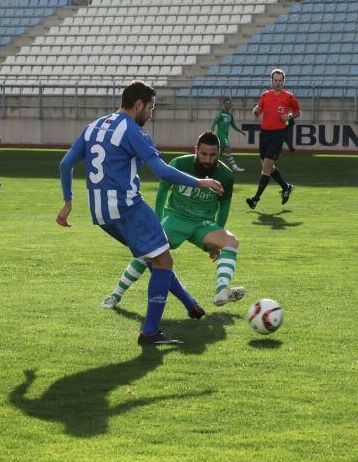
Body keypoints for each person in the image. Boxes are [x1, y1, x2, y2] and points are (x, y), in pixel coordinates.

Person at [56, 80, 224, 345]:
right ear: (138, 105)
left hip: (100, 213)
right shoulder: (133, 131)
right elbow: (161, 171)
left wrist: (68, 203)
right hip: (128, 207)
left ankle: (190, 303)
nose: (150, 113)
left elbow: (66, 164)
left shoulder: (94, 126)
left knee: (154, 256)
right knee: (163, 261)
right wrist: (200, 181)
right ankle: (150, 332)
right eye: (150, 107)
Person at [101, 131, 244, 310]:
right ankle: (116, 295)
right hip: (176, 218)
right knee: (148, 250)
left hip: (203, 224)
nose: (207, 159)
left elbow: (224, 207)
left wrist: (217, 241)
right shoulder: (179, 163)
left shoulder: (226, 175)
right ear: (196, 150)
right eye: (203, 154)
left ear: (219, 153)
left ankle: (222, 290)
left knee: (231, 240)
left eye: (213, 155)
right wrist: (157, 223)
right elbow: (162, 192)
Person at [246, 68, 299, 210]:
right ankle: (286, 187)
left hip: (278, 134)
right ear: (272, 81)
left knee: (266, 167)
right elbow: (258, 110)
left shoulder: (289, 97)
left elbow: (297, 112)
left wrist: (288, 117)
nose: (277, 82)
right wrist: (255, 110)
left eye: (280, 80)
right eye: (275, 80)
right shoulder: (265, 95)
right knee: (266, 165)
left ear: (284, 81)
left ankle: (255, 199)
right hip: (265, 134)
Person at [210, 97, 245, 172]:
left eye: (229, 103)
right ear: (223, 104)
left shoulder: (230, 115)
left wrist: (241, 131)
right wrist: (211, 131)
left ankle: (212, 165)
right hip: (221, 134)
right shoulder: (220, 114)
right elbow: (214, 123)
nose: (228, 105)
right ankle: (234, 167)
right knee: (228, 149)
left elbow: (233, 125)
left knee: (220, 151)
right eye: (226, 103)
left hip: (225, 135)